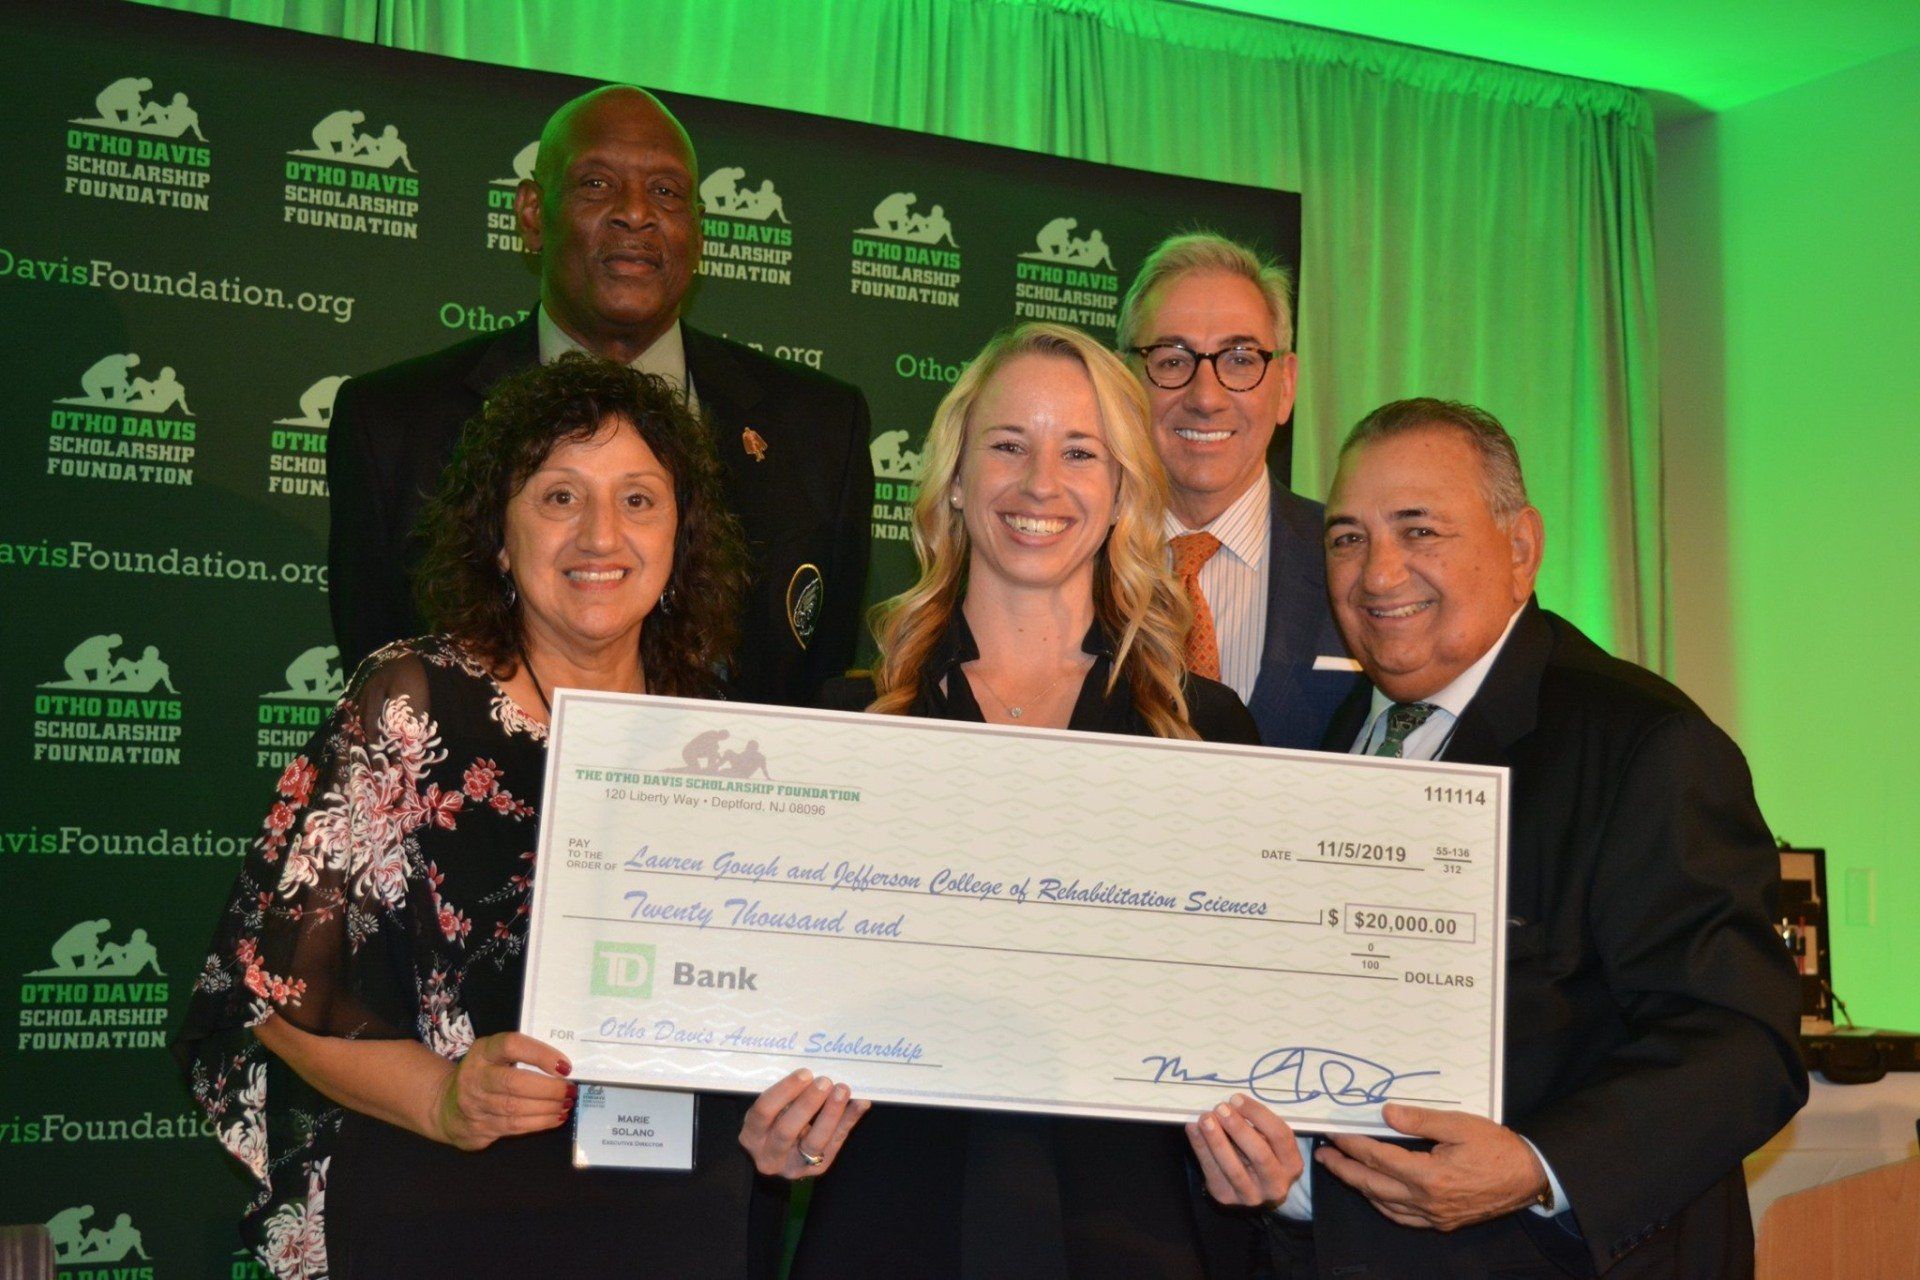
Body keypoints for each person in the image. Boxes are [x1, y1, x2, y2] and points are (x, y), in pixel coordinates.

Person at [178, 357, 861, 1279]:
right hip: (443, 1208)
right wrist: (443, 1098)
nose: (600, 535)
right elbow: (265, 985)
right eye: (558, 497)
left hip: (670, 1220)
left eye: (638, 501)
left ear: (681, 536)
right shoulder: (411, 704)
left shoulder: (725, 741)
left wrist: (789, 1117)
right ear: (499, 535)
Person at [1191, 399, 1805, 1278]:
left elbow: (1745, 1043)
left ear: (1521, 549)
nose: (1378, 573)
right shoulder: (1335, 745)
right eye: (1347, 539)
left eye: (1420, 530)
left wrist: (1538, 1169)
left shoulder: (1644, 744)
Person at [780, 322, 1259, 1280]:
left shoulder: (1207, 734)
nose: (1041, 483)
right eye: (1008, 445)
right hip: (892, 1226)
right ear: (955, 477)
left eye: (1081, 451)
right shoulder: (850, 725)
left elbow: (1245, 1025)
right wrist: (773, 1113)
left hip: (1135, 1233)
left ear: (1123, 489)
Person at [326, 84, 872, 706]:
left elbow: (823, 678)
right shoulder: (392, 425)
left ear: (698, 233)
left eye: (666, 192)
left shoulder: (824, 428)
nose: (636, 213)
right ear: (533, 214)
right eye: (597, 185)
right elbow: (382, 679)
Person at [1120, 232, 1359, 750]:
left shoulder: (1359, 561)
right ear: (1126, 382)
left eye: (1241, 359)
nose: (1206, 397)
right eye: (1171, 359)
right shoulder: (1066, 560)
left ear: (1286, 387)